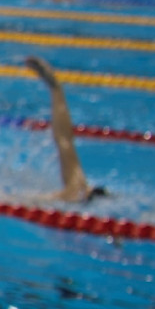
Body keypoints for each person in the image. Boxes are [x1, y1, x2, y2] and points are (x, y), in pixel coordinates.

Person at [22, 56, 99, 204]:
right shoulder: (76, 190)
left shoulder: (75, 192)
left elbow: (64, 139)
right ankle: (55, 88)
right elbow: (64, 140)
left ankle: (55, 88)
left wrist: (55, 88)